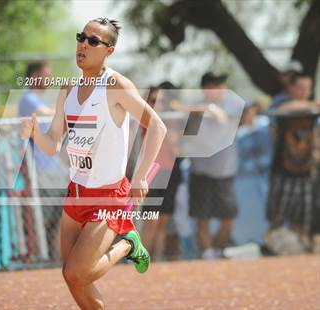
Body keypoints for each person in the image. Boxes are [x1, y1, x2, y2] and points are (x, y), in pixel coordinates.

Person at [20, 17, 167, 309]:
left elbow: (158, 127)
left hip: (108, 195)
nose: (83, 44)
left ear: (108, 51)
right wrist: (35, 133)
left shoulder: (115, 85)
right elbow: (53, 145)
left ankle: (128, 244)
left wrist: (139, 177)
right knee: (73, 279)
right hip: (76, 193)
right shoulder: (68, 90)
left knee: (77, 272)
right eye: (81, 37)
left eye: (93, 41)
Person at [187, 72, 240, 259]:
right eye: (215, 85)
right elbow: (188, 137)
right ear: (205, 89)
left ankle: (216, 250)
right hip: (202, 171)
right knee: (203, 217)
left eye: (221, 85)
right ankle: (208, 253)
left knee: (229, 219)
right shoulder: (194, 109)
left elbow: (245, 115)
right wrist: (207, 109)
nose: (220, 89)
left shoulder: (233, 104)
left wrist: (215, 111)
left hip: (226, 172)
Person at [19, 61, 67, 261]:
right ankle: (41, 259)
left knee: (60, 220)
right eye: (45, 75)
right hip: (39, 170)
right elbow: (46, 114)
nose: (49, 79)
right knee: (42, 220)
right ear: (34, 76)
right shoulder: (28, 99)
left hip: (55, 170)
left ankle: (55, 260)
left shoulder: (41, 100)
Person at [267, 72, 320, 246]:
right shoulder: (281, 103)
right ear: (291, 88)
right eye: (301, 88)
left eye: (308, 88)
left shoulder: (312, 112)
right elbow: (281, 110)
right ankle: (275, 245)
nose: (305, 91)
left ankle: (301, 247)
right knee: (279, 215)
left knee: (304, 214)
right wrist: (313, 105)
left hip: (308, 171)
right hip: (283, 171)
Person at [140, 84, 182, 261]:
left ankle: (156, 259)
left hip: (170, 171)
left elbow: (177, 149)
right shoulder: (146, 119)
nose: (158, 104)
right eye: (154, 100)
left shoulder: (172, 118)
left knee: (163, 220)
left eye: (162, 101)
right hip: (152, 172)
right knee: (151, 220)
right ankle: (139, 258)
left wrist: (176, 142)